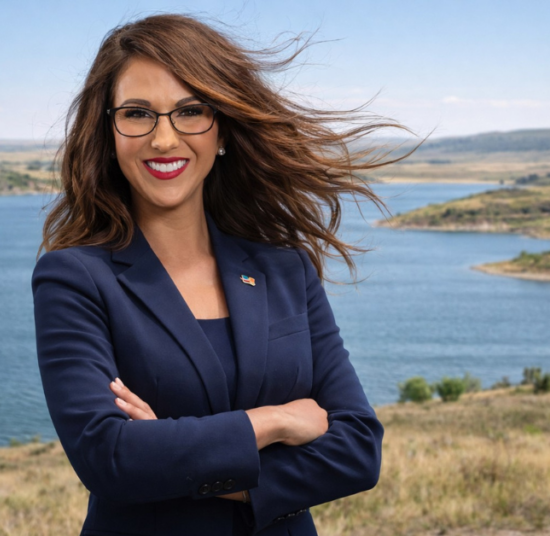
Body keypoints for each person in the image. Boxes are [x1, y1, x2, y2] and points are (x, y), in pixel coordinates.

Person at [32, 14, 409, 536]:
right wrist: (271, 422)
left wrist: (172, 450)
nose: (164, 139)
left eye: (191, 111)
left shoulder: (286, 269)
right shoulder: (74, 279)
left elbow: (358, 451)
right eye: (138, 113)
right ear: (109, 133)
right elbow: (110, 459)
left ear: (223, 129)